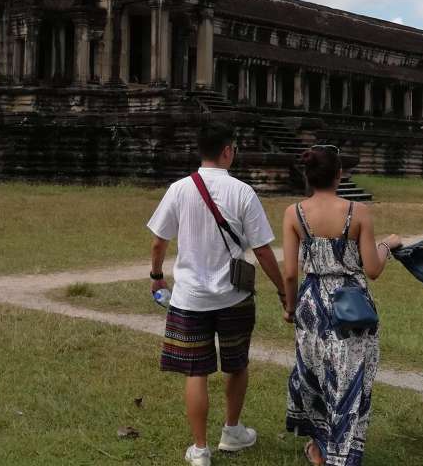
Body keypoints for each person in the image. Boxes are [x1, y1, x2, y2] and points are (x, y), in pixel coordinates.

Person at [147, 121, 289, 466]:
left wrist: (156, 276)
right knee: (236, 365)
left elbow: (158, 241)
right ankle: (232, 429)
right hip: (234, 297)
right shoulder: (242, 192)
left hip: (189, 297)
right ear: (227, 151)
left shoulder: (179, 189)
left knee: (197, 372)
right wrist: (284, 291)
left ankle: (199, 449)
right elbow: (264, 251)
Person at [281, 146, 402, 466]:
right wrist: (387, 246)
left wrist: (290, 308)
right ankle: (340, 450)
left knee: (315, 373)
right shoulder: (357, 213)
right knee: (349, 378)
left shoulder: (294, 213)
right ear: (339, 175)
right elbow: (373, 269)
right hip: (351, 305)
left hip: (311, 305)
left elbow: (291, 273)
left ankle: (319, 446)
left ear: (307, 176)